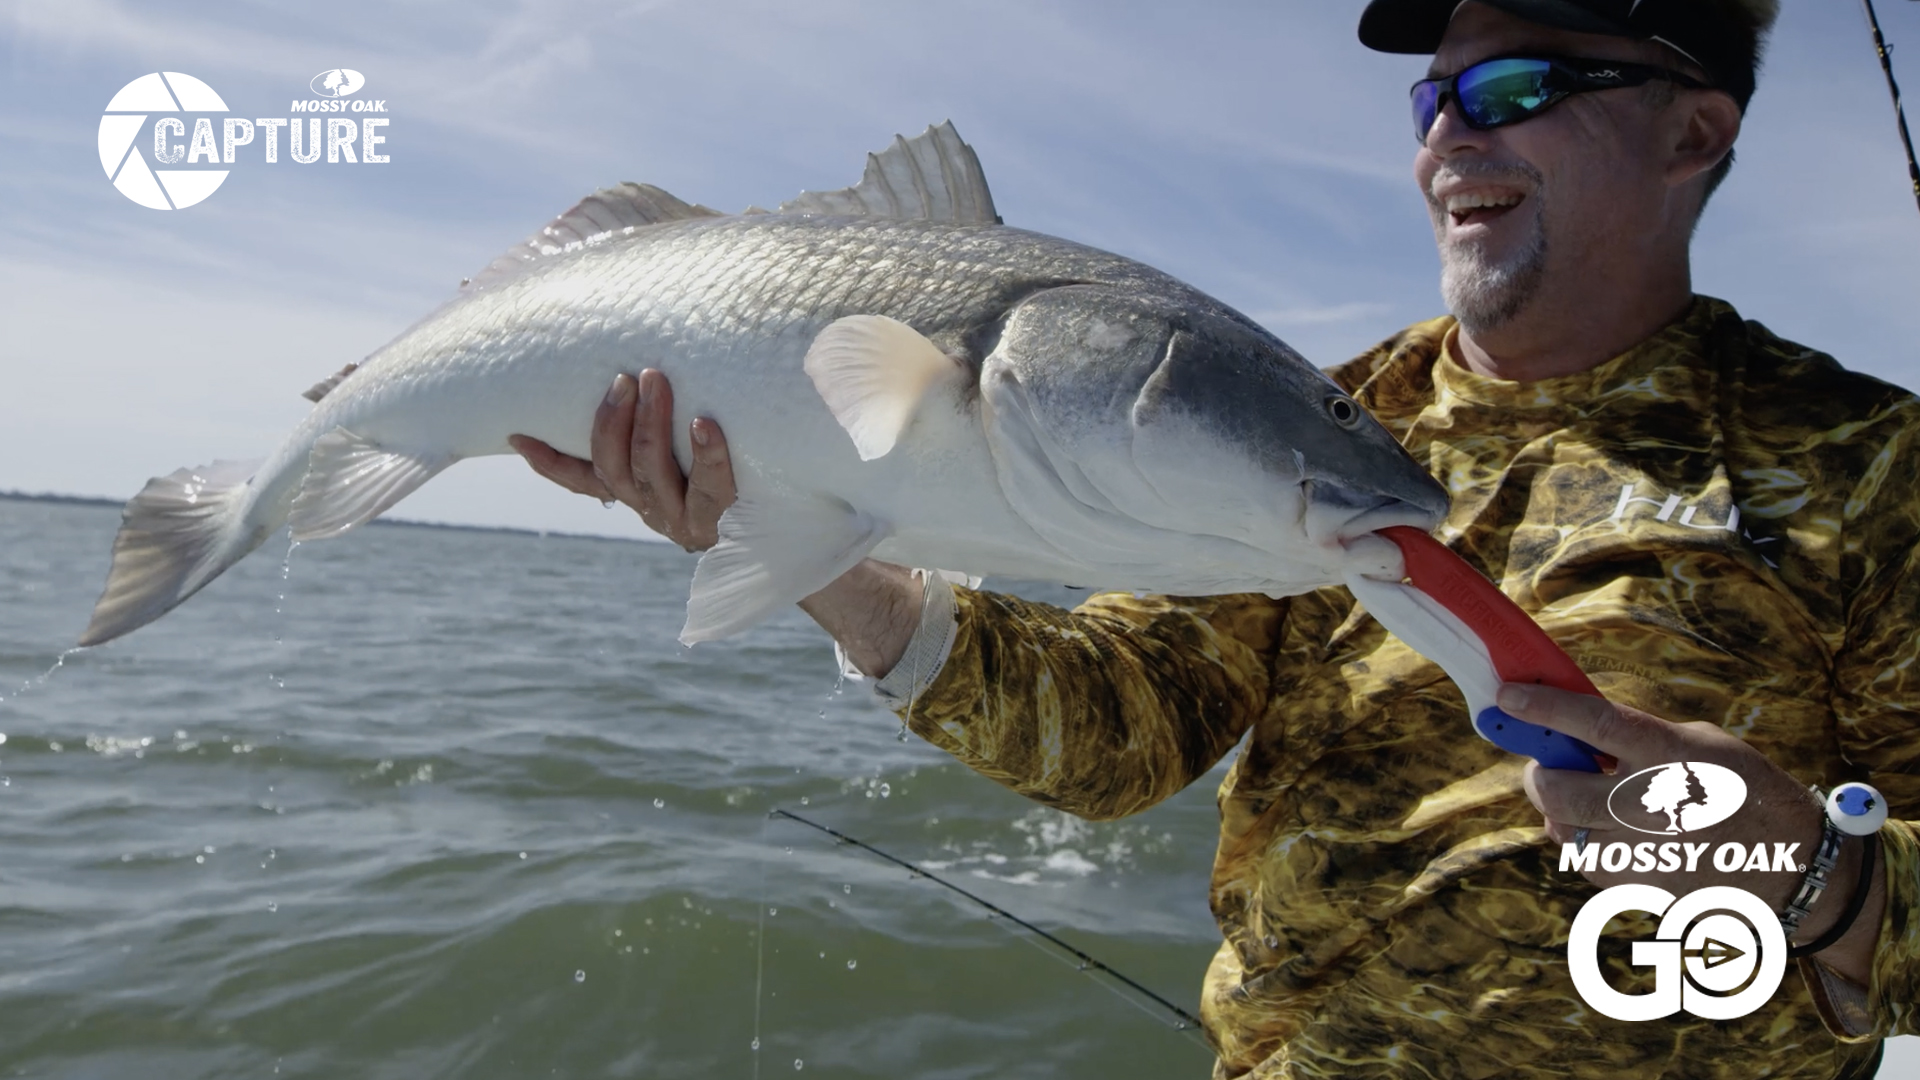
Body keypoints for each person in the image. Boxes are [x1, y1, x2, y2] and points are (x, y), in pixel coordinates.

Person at [511, 1, 1920, 1075]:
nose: (1448, 136)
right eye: (1433, 95)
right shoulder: (1311, 427)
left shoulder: (1870, 464)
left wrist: (1813, 869)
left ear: (1695, 132)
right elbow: (1114, 735)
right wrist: (811, 550)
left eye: (1515, 86)